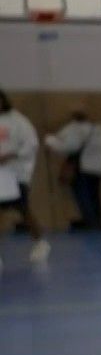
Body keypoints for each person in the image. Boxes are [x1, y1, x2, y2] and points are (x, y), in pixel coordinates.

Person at [0, 90, 49, 269]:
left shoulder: (18, 121)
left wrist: (12, 154)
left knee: (22, 209)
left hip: (16, 174)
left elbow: (31, 144)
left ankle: (40, 242)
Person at [46, 108, 101, 232]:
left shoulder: (74, 129)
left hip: (82, 168)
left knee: (83, 198)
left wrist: (50, 140)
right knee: (95, 198)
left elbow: (69, 147)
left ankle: (91, 225)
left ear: (73, 119)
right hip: (97, 168)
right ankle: (98, 224)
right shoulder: (98, 129)